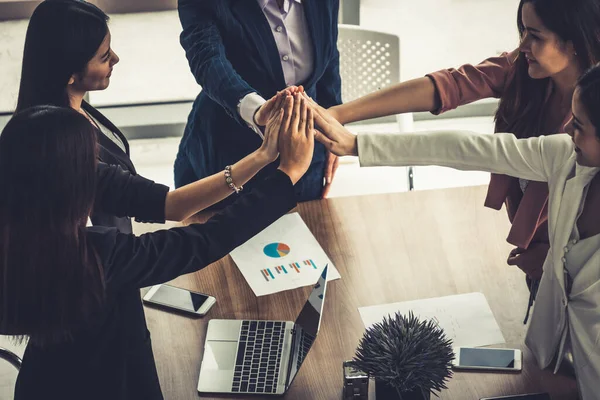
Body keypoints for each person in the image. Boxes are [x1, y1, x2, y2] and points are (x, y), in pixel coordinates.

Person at [310, 61, 600, 398]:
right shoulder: (566, 157)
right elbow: (470, 150)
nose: (566, 129)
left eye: (578, 125)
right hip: (554, 361)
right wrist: (359, 144)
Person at [2, 96, 314, 399]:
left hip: (40, 383)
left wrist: (263, 156)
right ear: (73, 183)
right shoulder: (96, 258)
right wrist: (288, 174)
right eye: (90, 165)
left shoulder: (18, 244)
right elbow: (202, 242)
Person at [321, 0, 600, 305]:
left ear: (574, 41)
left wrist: (558, 260)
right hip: (537, 260)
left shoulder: (586, 128)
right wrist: (338, 114)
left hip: (577, 273)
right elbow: (450, 86)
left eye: (535, 36)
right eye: (522, 31)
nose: (522, 46)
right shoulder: (525, 71)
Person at [16, 0, 282, 232]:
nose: (116, 59)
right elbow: (171, 206)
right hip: (103, 273)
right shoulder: (63, 150)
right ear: (69, 73)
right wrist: (264, 154)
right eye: (104, 56)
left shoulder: (74, 107)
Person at [174, 0, 342, 201]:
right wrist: (256, 111)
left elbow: (329, 54)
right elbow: (208, 60)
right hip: (228, 150)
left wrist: (333, 127)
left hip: (306, 147)